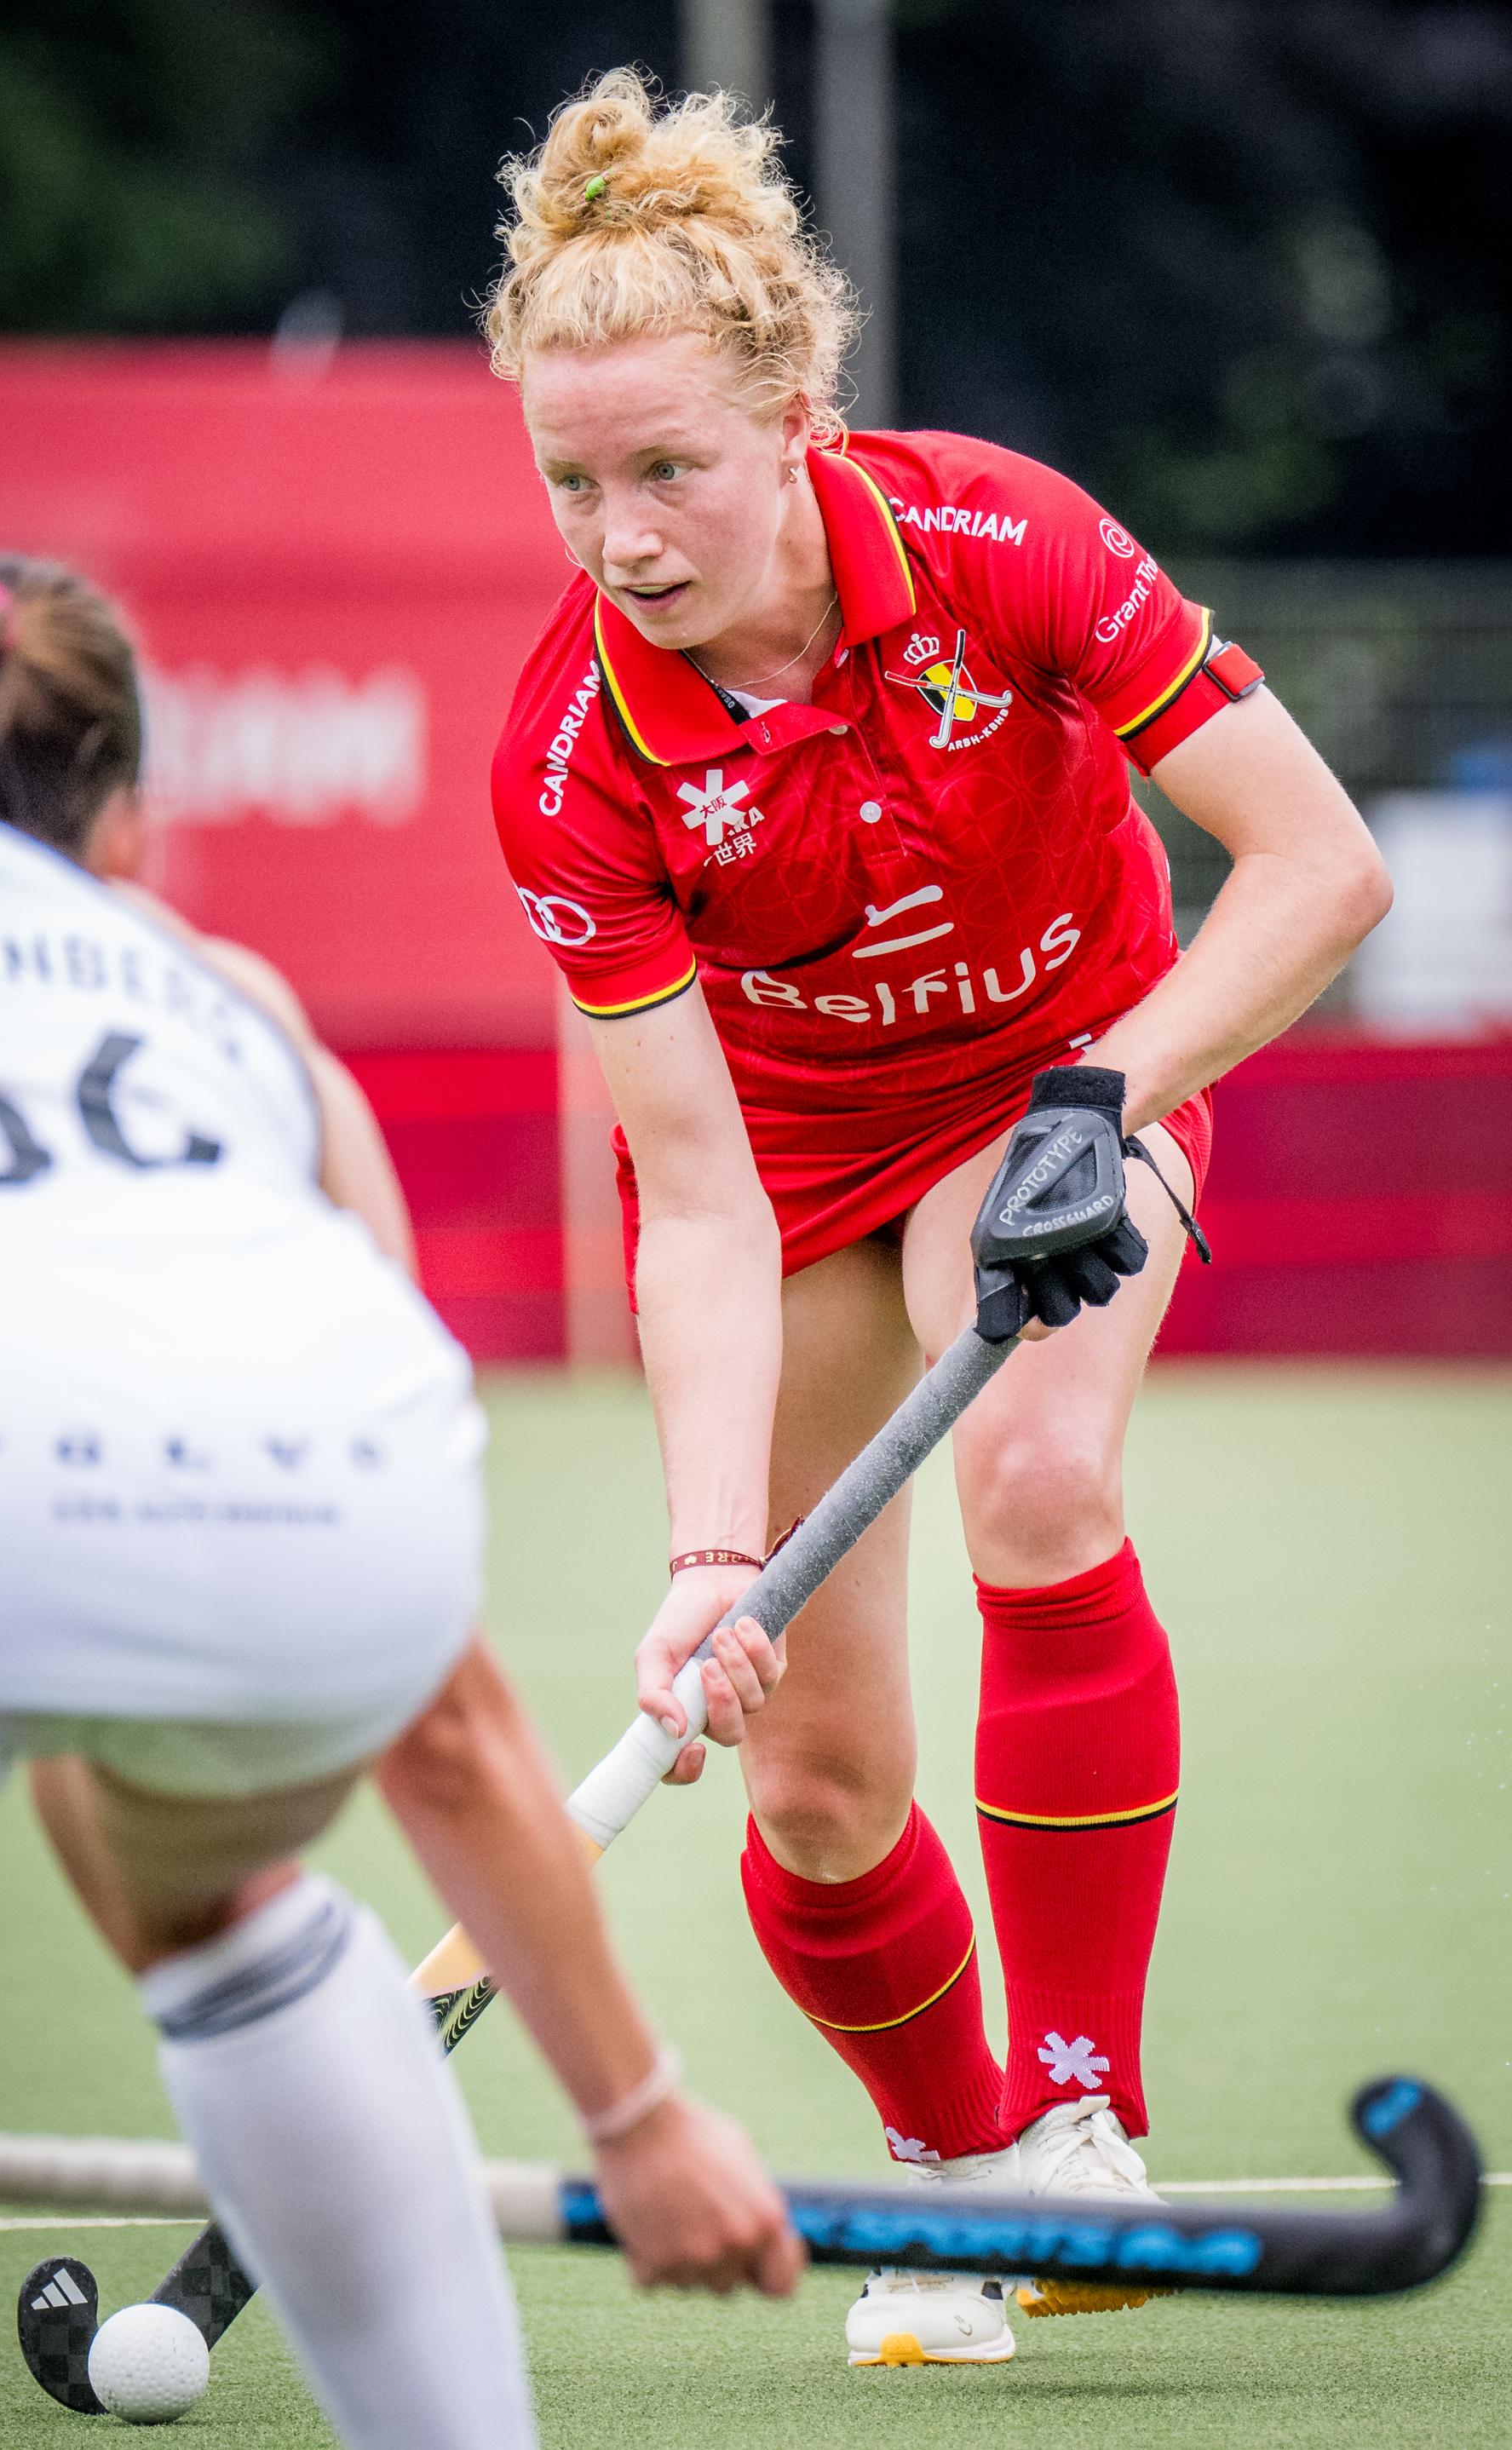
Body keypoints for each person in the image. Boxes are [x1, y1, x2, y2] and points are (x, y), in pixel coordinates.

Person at [486, 72, 1393, 2368]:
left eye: (670, 465)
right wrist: (708, 1553)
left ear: (795, 410)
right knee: (812, 1768)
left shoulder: (1003, 542)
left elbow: (1318, 868)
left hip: (1064, 1074)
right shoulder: (575, 759)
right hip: (786, 1167)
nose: (623, 534)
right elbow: (686, 1195)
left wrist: (1117, 1086)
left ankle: (1089, 2123)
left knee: (1040, 1466)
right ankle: (978, 2177)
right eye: (571, 479)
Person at [0, 551, 802, 2450]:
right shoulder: (236, 1002)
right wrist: (641, 2121)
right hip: (311, 1531)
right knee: (197, 1879)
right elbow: (423, 1645)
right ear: (130, 809)